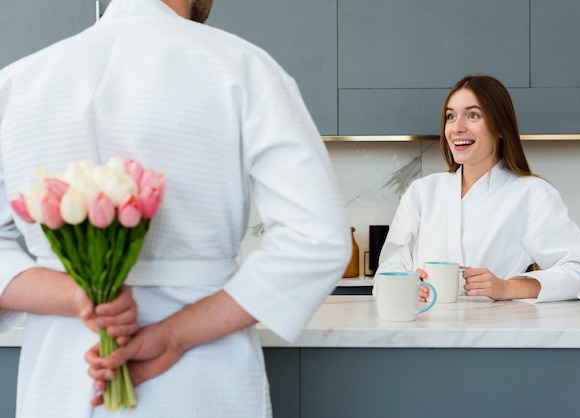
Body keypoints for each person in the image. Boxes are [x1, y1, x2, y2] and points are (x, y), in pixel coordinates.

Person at [0, 0, 351, 416]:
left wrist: (79, 295)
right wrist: (173, 336)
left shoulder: (16, 84)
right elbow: (317, 240)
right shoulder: (241, 67)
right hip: (201, 379)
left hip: (61, 381)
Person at [376, 74, 580, 302]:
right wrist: (407, 285)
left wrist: (506, 288)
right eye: (451, 116)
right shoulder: (422, 192)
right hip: (424, 331)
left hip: (496, 333)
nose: (457, 127)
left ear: (501, 127)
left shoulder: (532, 194)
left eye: (473, 115)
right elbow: (388, 268)